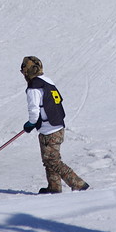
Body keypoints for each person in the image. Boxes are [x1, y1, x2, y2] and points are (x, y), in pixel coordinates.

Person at [20, 56, 89, 194]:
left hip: (49, 128)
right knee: (49, 160)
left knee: (53, 161)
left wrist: (30, 123)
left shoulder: (34, 87)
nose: (24, 74)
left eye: (24, 71)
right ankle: (54, 187)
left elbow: (34, 110)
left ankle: (78, 183)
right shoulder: (47, 81)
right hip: (57, 125)